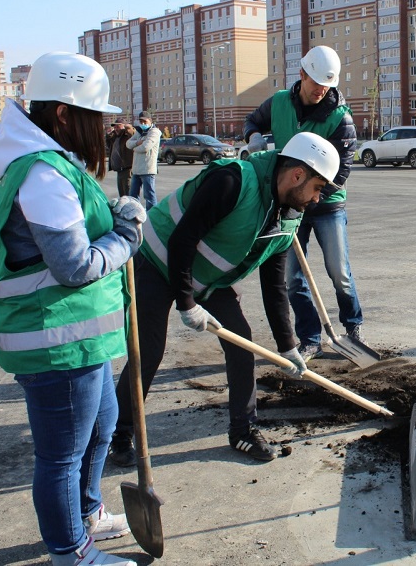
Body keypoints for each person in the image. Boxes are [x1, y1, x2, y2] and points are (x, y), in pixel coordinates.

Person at [0, 52, 144, 566]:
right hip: (53, 341)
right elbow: (75, 266)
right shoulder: (42, 174)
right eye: (96, 118)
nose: (103, 129)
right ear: (62, 114)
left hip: (79, 337)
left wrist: (114, 213)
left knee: (103, 425)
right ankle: (72, 553)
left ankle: (87, 514)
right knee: (60, 455)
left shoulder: (55, 163)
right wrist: (127, 234)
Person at [108, 132, 340, 468]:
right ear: (297, 175)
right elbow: (182, 240)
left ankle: (243, 430)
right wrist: (186, 303)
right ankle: (120, 431)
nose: (318, 198)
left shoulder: (290, 214)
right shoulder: (231, 180)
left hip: (208, 278)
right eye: (318, 187)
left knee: (241, 341)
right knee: (149, 349)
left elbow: (274, 284)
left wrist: (287, 345)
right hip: (157, 260)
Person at [243, 45, 366, 361]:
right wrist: (254, 137)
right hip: (289, 206)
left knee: (339, 272)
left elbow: (343, 169)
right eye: (316, 84)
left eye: (327, 86)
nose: (321, 91)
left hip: (328, 206)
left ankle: (353, 330)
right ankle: (310, 338)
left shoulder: (340, 118)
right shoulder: (280, 103)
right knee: (291, 277)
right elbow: (252, 121)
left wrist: (311, 198)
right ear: (302, 75)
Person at [127, 111, 160, 209]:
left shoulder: (154, 132)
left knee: (149, 195)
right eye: (140, 121)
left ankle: (152, 215)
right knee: (132, 195)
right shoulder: (140, 132)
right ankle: (133, 213)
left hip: (147, 169)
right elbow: (128, 143)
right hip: (136, 169)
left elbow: (145, 147)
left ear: (150, 120)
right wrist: (137, 142)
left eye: (144, 121)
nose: (142, 124)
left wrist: (134, 148)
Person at [108, 119, 134, 197]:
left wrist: (127, 127)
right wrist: (109, 133)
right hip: (119, 169)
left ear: (123, 126)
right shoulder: (116, 137)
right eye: (115, 127)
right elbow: (108, 143)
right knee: (122, 194)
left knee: (128, 193)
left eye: (118, 126)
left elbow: (132, 133)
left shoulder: (127, 136)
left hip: (127, 168)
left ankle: (130, 208)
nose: (116, 128)